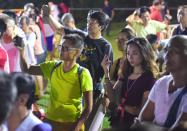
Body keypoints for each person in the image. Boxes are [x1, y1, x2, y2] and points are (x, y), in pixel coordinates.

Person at [18, 34, 93, 131]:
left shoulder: (83, 74)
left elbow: (88, 107)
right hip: (51, 120)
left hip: (71, 124)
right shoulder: (53, 67)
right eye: (61, 46)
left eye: (66, 48)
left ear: (76, 53)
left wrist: (77, 126)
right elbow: (27, 69)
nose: (61, 50)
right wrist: (21, 51)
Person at [42, 5, 113, 103]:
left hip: (91, 89)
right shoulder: (81, 36)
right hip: (74, 84)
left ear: (101, 27)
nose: (88, 25)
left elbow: (109, 73)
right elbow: (60, 29)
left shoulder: (106, 46)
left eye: (92, 23)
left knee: (86, 115)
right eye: (88, 22)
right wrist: (48, 15)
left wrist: (107, 96)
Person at [102, 38, 158, 130]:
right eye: (128, 53)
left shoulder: (149, 79)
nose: (130, 57)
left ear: (144, 53)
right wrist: (106, 72)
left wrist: (121, 104)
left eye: (135, 53)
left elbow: (141, 111)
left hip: (134, 125)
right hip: (118, 121)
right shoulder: (125, 74)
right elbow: (113, 97)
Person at [138, 35, 187, 129]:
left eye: (175, 51)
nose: (167, 54)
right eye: (166, 50)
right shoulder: (162, 83)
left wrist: (147, 127)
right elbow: (143, 119)